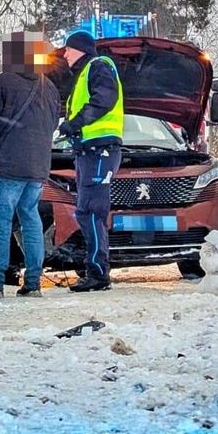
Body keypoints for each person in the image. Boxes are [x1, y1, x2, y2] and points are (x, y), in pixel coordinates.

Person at [0, 32, 60, 297]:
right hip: (38, 167)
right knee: (31, 219)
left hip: (8, 165)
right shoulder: (48, 87)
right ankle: (33, 282)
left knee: (0, 220)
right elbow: (53, 125)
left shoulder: (1, 83)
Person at [52, 30, 124, 292]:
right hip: (89, 151)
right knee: (86, 211)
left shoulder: (99, 66)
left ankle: (97, 273)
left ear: (80, 49)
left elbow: (105, 99)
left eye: (68, 49)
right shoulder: (84, 75)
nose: (65, 54)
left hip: (100, 150)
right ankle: (95, 269)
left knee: (92, 212)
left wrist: (76, 122)